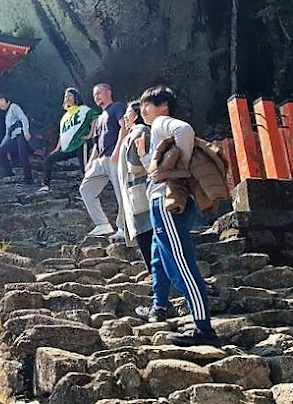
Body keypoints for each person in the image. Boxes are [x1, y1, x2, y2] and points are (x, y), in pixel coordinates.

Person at [135, 85, 217, 347]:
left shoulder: (162, 122)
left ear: (163, 105)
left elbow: (184, 131)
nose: (142, 110)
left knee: (181, 261)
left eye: (146, 104)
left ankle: (203, 327)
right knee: (161, 258)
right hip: (167, 202)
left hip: (168, 203)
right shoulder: (157, 130)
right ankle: (162, 307)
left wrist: (179, 166)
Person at [79, 83, 126, 239]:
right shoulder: (99, 118)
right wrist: (91, 161)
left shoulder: (117, 107)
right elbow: (97, 144)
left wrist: (118, 150)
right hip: (101, 159)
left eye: (99, 93)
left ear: (108, 92)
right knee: (86, 188)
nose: (97, 97)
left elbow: (124, 127)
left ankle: (123, 227)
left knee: (121, 192)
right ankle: (102, 224)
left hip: (115, 156)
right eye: (94, 95)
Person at [37, 87, 97, 193]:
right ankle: (45, 185)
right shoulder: (65, 117)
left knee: (84, 167)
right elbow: (63, 134)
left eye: (70, 96)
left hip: (80, 143)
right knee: (48, 160)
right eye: (65, 96)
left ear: (76, 98)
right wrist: (57, 148)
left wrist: (90, 134)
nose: (67, 98)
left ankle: (90, 188)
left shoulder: (83, 109)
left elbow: (95, 117)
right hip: (67, 147)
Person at [117, 101, 153, 272]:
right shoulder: (137, 132)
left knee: (147, 237)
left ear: (137, 115)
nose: (125, 117)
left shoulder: (139, 131)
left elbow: (135, 166)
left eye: (128, 113)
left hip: (140, 191)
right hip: (139, 192)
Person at [0, 94, 33, 184]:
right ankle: (8, 172)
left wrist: (26, 132)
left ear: (8, 102)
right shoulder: (6, 116)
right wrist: (1, 145)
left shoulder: (14, 107)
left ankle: (29, 178)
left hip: (20, 134)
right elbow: (7, 133)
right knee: (1, 151)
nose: (1, 105)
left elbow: (23, 118)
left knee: (22, 156)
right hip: (12, 137)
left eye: (2, 102)